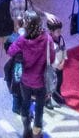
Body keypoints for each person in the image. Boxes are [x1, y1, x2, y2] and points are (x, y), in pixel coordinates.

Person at [5, 10, 50, 138]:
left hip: (26, 81)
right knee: (39, 107)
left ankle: (26, 129)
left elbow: (10, 51)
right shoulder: (47, 38)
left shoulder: (22, 40)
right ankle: (37, 133)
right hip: (41, 80)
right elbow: (51, 57)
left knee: (25, 102)